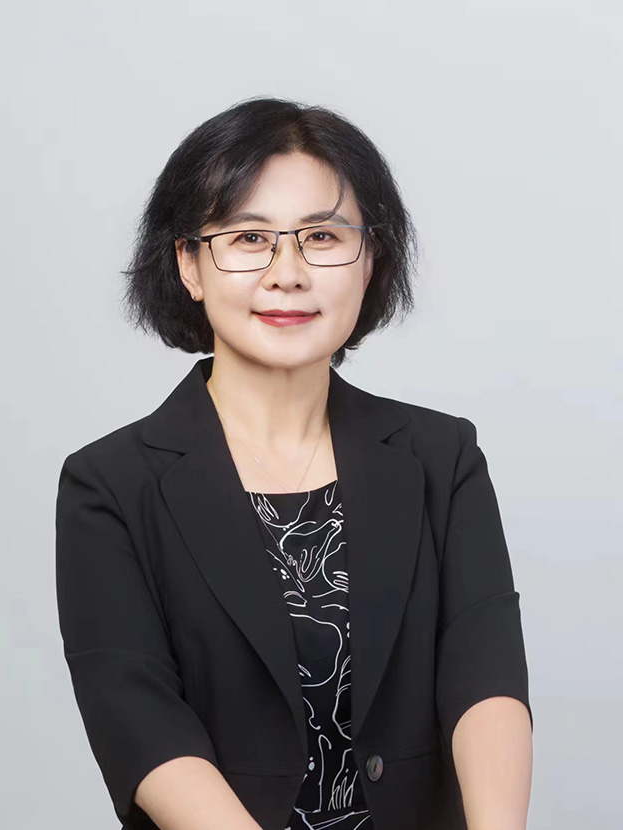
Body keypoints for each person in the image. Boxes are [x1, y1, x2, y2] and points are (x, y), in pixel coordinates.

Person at [55, 96, 534, 830]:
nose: (288, 272)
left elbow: (486, 679)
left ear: (370, 261)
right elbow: (139, 722)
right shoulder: (110, 487)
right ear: (189, 264)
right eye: (249, 237)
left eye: (322, 236)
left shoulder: (443, 458)